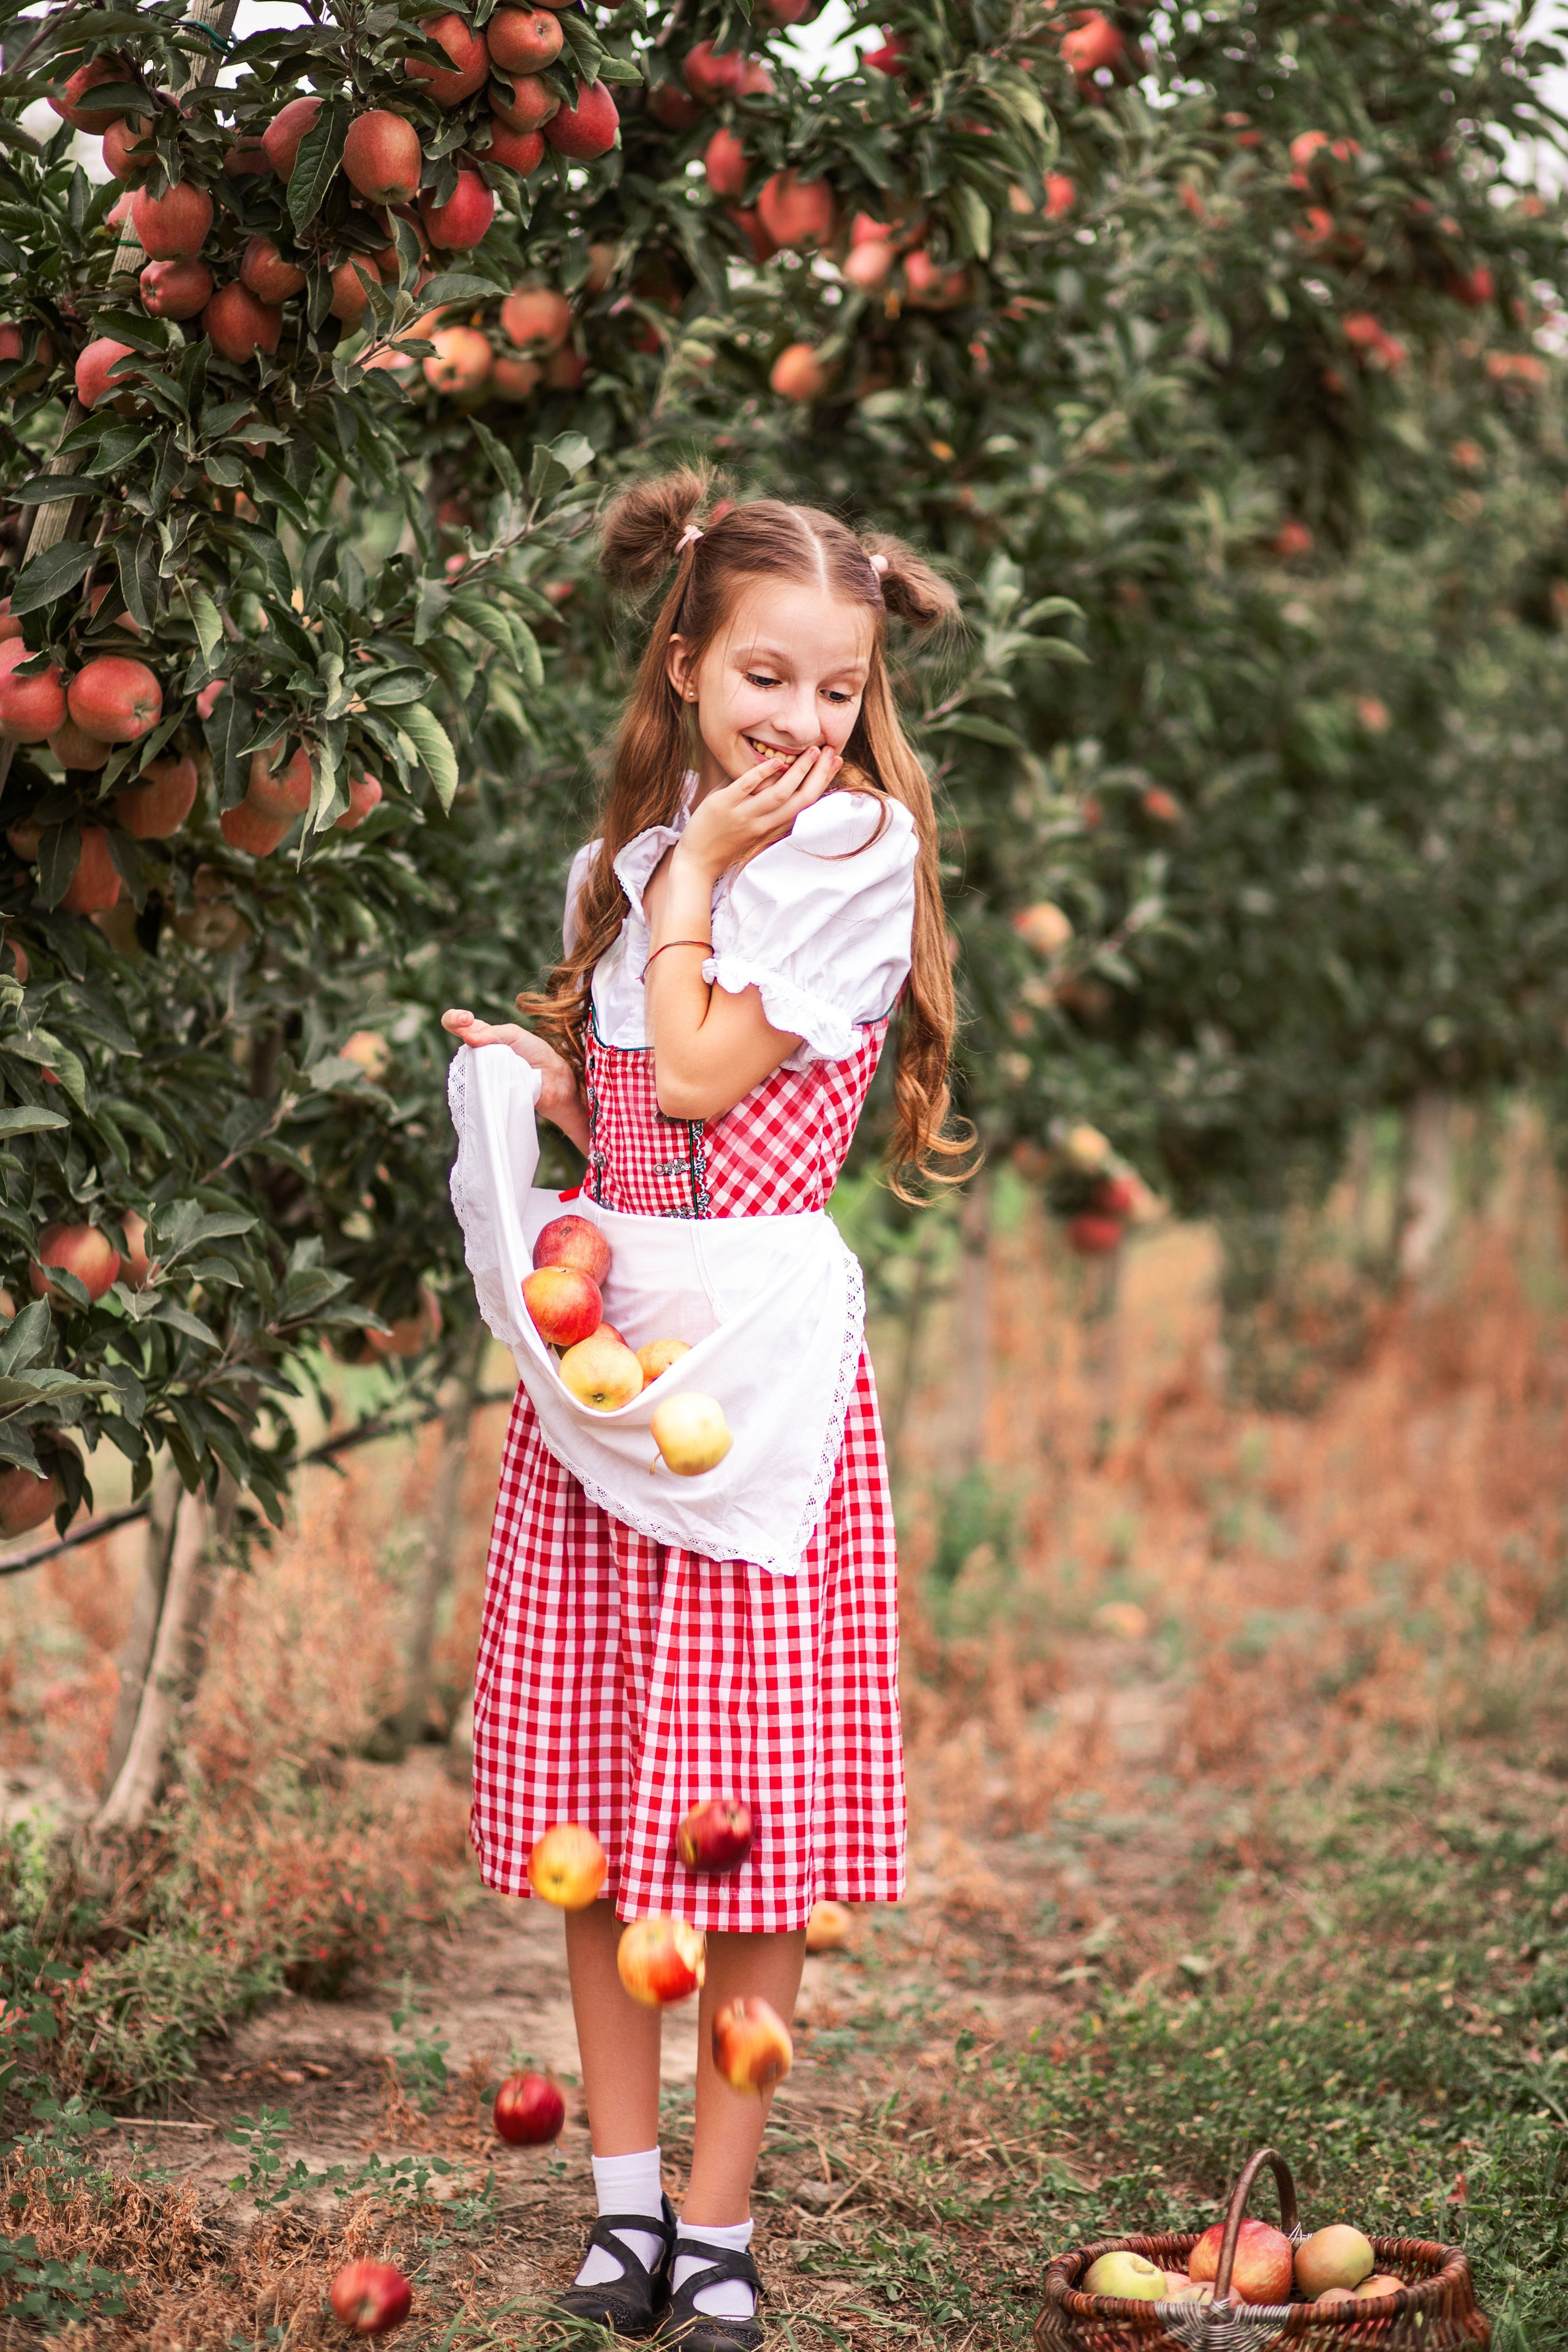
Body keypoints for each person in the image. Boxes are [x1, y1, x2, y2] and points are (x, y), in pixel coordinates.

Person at [442, 469, 964, 2350]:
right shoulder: (632, 860)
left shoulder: (840, 859)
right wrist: (542, 1087)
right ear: (687, 664)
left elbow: (709, 1084)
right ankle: (623, 2201)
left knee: (739, 1823)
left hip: (746, 1386)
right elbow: (637, 1124)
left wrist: (700, 894)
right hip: (614, 1373)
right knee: (603, 1809)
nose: (801, 725)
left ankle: (722, 2228)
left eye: (836, 693)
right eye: (766, 677)